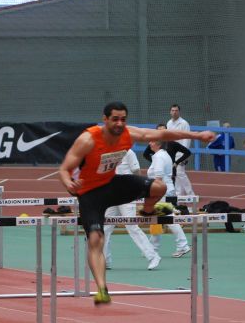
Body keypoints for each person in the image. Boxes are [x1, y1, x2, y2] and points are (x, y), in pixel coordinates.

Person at [58, 101, 215, 305]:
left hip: (111, 184)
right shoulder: (88, 139)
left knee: (159, 187)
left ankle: (148, 210)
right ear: (105, 119)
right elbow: (64, 169)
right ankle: (102, 289)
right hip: (89, 193)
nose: (119, 123)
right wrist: (69, 184)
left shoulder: (128, 133)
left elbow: (163, 134)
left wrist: (197, 136)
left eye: (123, 119)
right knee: (96, 239)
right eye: (115, 119)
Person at [103, 149, 161, 271]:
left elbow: (137, 172)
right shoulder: (107, 153)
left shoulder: (129, 153)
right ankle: (105, 260)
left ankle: (153, 256)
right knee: (105, 227)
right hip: (111, 195)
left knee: (132, 227)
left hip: (127, 195)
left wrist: (138, 191)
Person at [146, 139, 191, 259]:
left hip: (161, 192)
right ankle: (153, 247)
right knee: (157, 219)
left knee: (168, 219)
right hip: (165, 190)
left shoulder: (159, 157)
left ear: (158, 144)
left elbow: (159, 177)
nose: (149, 143)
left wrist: (154, 193)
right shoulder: (162, 155)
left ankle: (183, 245)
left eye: (152, 141)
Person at [166, 104, 196, 196]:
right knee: (176, 173)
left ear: (179, 112)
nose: (174, 112)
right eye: (173, 110)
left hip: (181, 151)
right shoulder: (169, 123)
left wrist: (184, 155)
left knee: (180, 173)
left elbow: (187, 138)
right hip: (172, 152)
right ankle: (179, 193)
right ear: (170, 112)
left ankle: (191, 194)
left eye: (176, 110)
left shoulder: (184, 123)